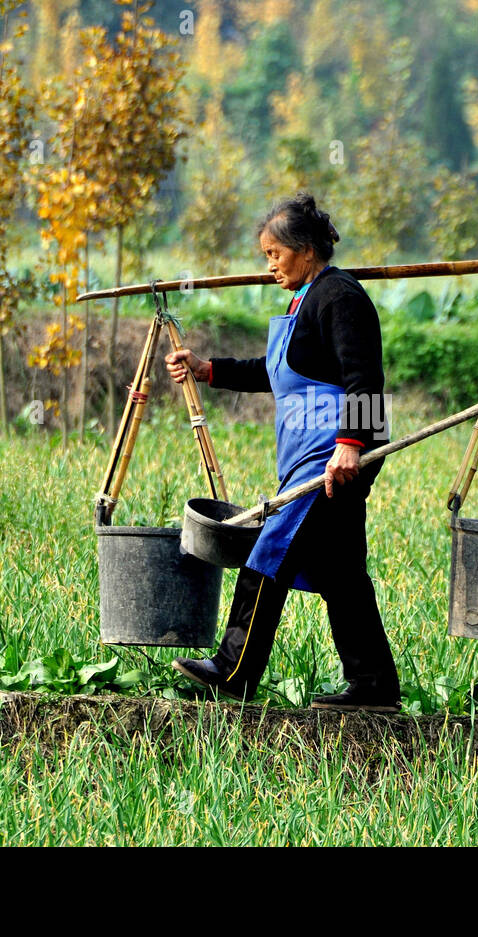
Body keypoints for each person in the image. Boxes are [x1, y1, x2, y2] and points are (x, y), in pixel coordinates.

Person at [165, 193, 400, 712]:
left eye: (276, 254)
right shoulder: (305, 300)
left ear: (307, 250)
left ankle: (232, 671)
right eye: (266, 255)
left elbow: (366, 378)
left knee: (268, 550)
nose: (270, 265)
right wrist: (211, 370)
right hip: (316, 453)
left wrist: (350, 446)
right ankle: (374, 687)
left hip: (334, 453)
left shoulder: (339, 296)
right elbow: (276, 374)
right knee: (342, 572)